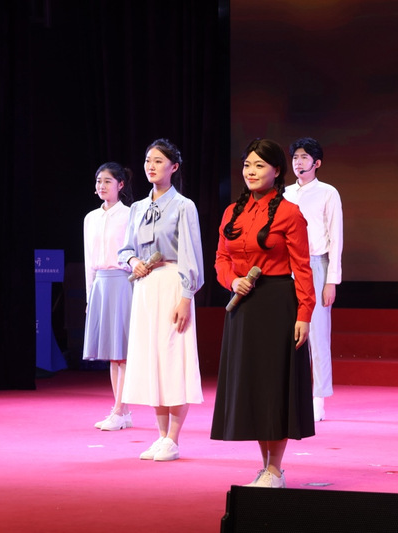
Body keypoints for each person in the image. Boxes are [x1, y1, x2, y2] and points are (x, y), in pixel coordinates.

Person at [211, 138, 316, 488]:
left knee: (274, 386)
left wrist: (304, 314)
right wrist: (232, 280)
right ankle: (265, 467)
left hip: (277, 304)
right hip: (243, 306)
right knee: (255, 386)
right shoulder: (232, 211)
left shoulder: (289, 213)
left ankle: (275, 469)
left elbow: (303, 268)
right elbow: (221, 259)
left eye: (259, 165)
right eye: (247, 165)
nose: (251, 172)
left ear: (276, 171)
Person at [118, 138, 205, 462]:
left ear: (173, 167)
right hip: (145, 287)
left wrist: (186, 297)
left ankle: (174, 438)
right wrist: (133, 262)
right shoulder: (138, 208)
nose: (151, 166)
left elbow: (191, 256)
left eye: (158, 161)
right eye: (147, 161)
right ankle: (160, 436)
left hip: (172, 284)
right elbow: (126, 249)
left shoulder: (183, 206)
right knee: (153, 359)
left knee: (173, 359)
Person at [284, 137, 343, 422]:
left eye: (304, 157)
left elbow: (336, 238)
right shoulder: (284, 193)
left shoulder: (328, 193)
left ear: (316, 163)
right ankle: (290, 393)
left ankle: (318, 397)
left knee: (318, 334)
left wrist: (332, 280)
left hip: (316, 264)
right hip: (286, 266)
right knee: (287, 331)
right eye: (295, 157)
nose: (298, 162)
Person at [83, 162, 134, 431]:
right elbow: (88, 259)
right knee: (112, 354)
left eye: (107, 181)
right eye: (98, 181)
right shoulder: (91, 218)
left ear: (120, 185)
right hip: (101, 285)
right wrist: (90, 295)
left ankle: (120, 410)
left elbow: (135, 253)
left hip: (123, 282)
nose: (101, 186)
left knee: (122, 353)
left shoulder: (130, 215)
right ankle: (121, 410)